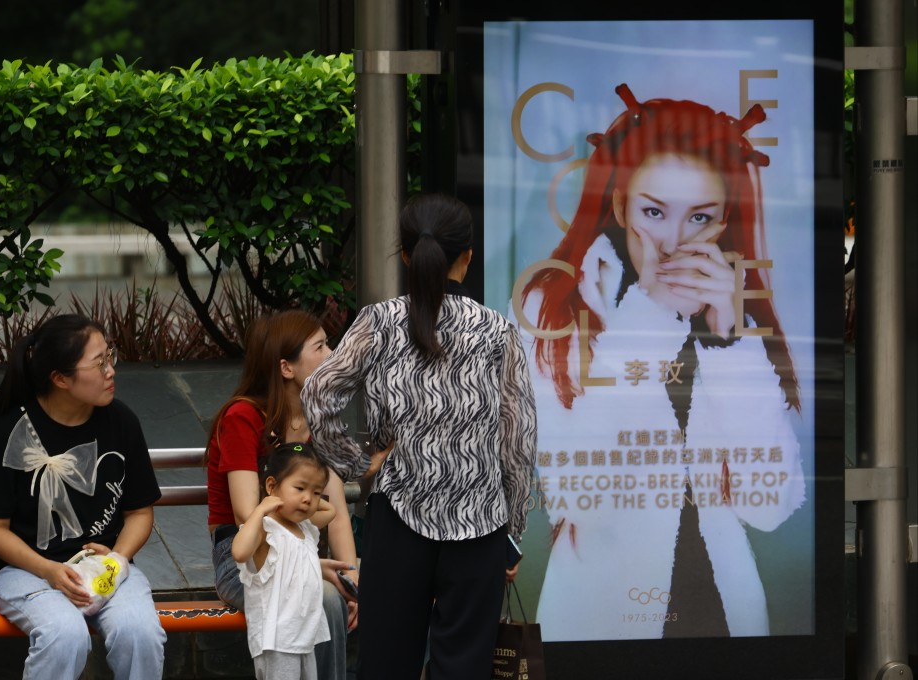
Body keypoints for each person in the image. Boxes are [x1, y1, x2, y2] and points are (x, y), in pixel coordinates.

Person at [518, 84, 806, 640]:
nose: (674, 242)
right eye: (654, 211)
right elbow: (581, 499)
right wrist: (648, 315)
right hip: (600, 612)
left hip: (722, 610)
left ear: (723, 223)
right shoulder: (554, 304)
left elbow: (769, 504)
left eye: (700, 217)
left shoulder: (730, 310)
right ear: (621, 206)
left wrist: (729, 340)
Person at [302, 193, 538, 680]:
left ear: (406, 255)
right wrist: (511, 534)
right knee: (464, 669)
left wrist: (356, 465)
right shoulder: (498, 332)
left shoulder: (379, 323)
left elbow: (318, 393)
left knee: (386, 665)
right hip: (479, 528)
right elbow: (519, 441)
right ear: (467, 258)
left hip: (398, 522)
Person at [0, 314, 166, 679]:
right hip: (24, 571)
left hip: (102, 567)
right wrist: (50, 571)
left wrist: (118, 560)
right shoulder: (9, 431)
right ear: (60, 378)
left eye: (110, 357)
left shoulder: (121, 421)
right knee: (65, 634)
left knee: (140, 632)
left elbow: (139, 512)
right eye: (99, 362)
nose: (110, 371)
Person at [205, 309, 359, 680]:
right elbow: (246, 514)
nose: (332, 354)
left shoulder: (317, 419)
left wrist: (353, 577)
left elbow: (335, 511)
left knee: (343, 595)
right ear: (286, 368)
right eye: (320, 347)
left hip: (303, 555)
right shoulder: (242, 417)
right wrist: (306, 568)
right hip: (244, 558)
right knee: (320, 597)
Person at [232, 443, 336, 680]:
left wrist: (303, 494)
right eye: (299, 488)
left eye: (316, 492)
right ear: (271, 486)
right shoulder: (266, 529)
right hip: (277, 640)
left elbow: (331, 511)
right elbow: (239, 552)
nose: (309, 499)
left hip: (304, 636)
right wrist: (260, 511)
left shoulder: (305, 529)